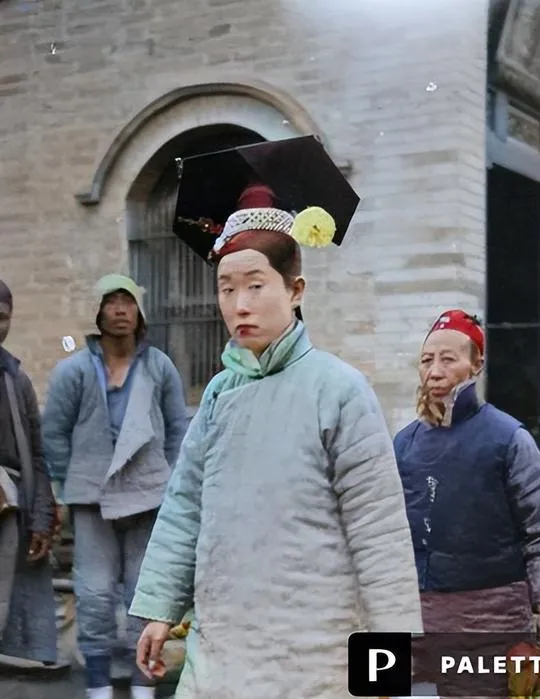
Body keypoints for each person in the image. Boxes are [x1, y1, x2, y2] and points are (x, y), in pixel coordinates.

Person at [129, 136, 423, 699]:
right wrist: (161, 609)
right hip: (221, 650)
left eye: (256, 285)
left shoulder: (340, 390)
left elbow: (378, 530)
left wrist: (387, 655)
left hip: (316, 654)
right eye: (227, 288)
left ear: (295, 290)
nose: (239, 304)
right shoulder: (218, 396)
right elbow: (184, 508)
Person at [394, 309, 540, 697]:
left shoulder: (508, 438)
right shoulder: (403, 444)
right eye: (427, 360)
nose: (434, 371)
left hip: (490, 623)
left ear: (476, 364)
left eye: (448, 359)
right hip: (415, 622)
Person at [42, 274, 188, 699]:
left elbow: (178, 429)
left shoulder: (158, 367)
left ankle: (143, 686)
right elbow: (55, 434)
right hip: (92, 501)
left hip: (147, 499)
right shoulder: (74, 371)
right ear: (98, 312)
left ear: (140, 312)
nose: (121, 310)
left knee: (145, 592)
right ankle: (98, 686)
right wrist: (73, 481)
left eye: (128, 302)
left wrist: (165, 478)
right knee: (93, 593)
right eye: (111, 302)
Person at [0, 279, 58, 665]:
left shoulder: (15, 380)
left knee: (7, 607)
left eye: (1, 317)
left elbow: (36, 454)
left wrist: (41, 519)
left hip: (10, 508)